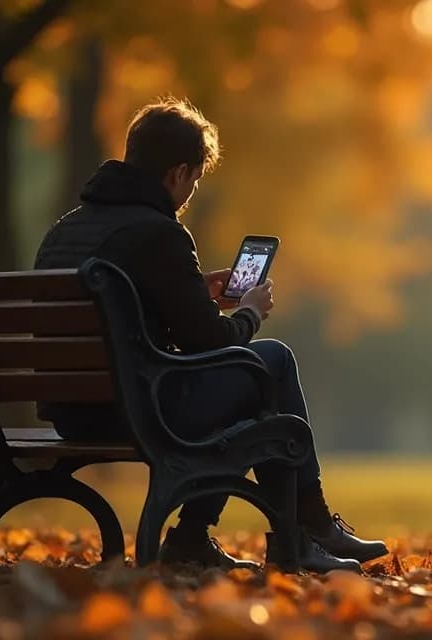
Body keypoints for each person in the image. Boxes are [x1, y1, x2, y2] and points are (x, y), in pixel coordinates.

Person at [33, 97, 386, 573]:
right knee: (269, 364)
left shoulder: (64, 231)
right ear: (177, 173)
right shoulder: (159, 233)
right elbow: (212, 346)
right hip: (138, 410)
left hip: (70, 412)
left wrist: (189, 290)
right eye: (194, 181)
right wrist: (249, 313)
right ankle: (302, 527)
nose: (190, 193)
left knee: (249, 392)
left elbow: (116, 299)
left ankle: (236, 534)